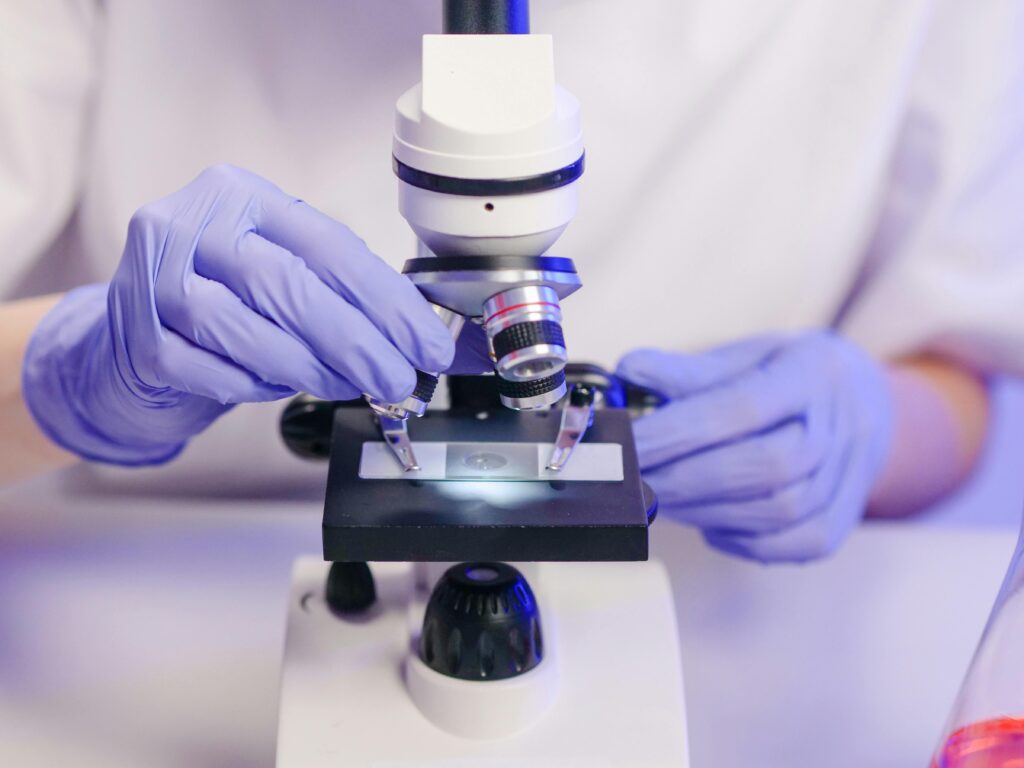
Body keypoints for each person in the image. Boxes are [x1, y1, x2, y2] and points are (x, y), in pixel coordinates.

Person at [1, 1, 1018, 564]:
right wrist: (63, 375)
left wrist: (862, 425)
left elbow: (950, 364)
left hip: (711, 621)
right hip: (134, 590)